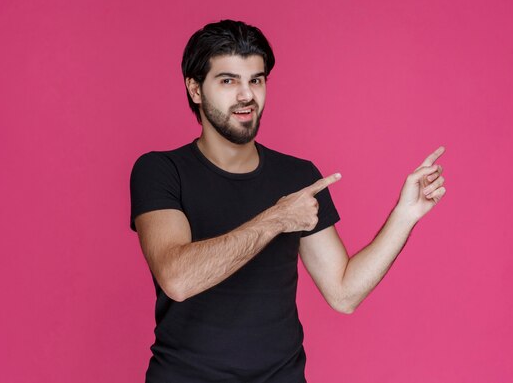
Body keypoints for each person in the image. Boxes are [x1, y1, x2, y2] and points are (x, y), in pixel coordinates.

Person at [129, 19, 446, 383]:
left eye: (257, 80)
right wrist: (277, 219)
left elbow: (344, 293)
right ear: (195, 89)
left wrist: (404, 216)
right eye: (228, 80)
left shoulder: (297, 177)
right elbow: (178, 279)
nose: (246, 95)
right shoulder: (161, 170)